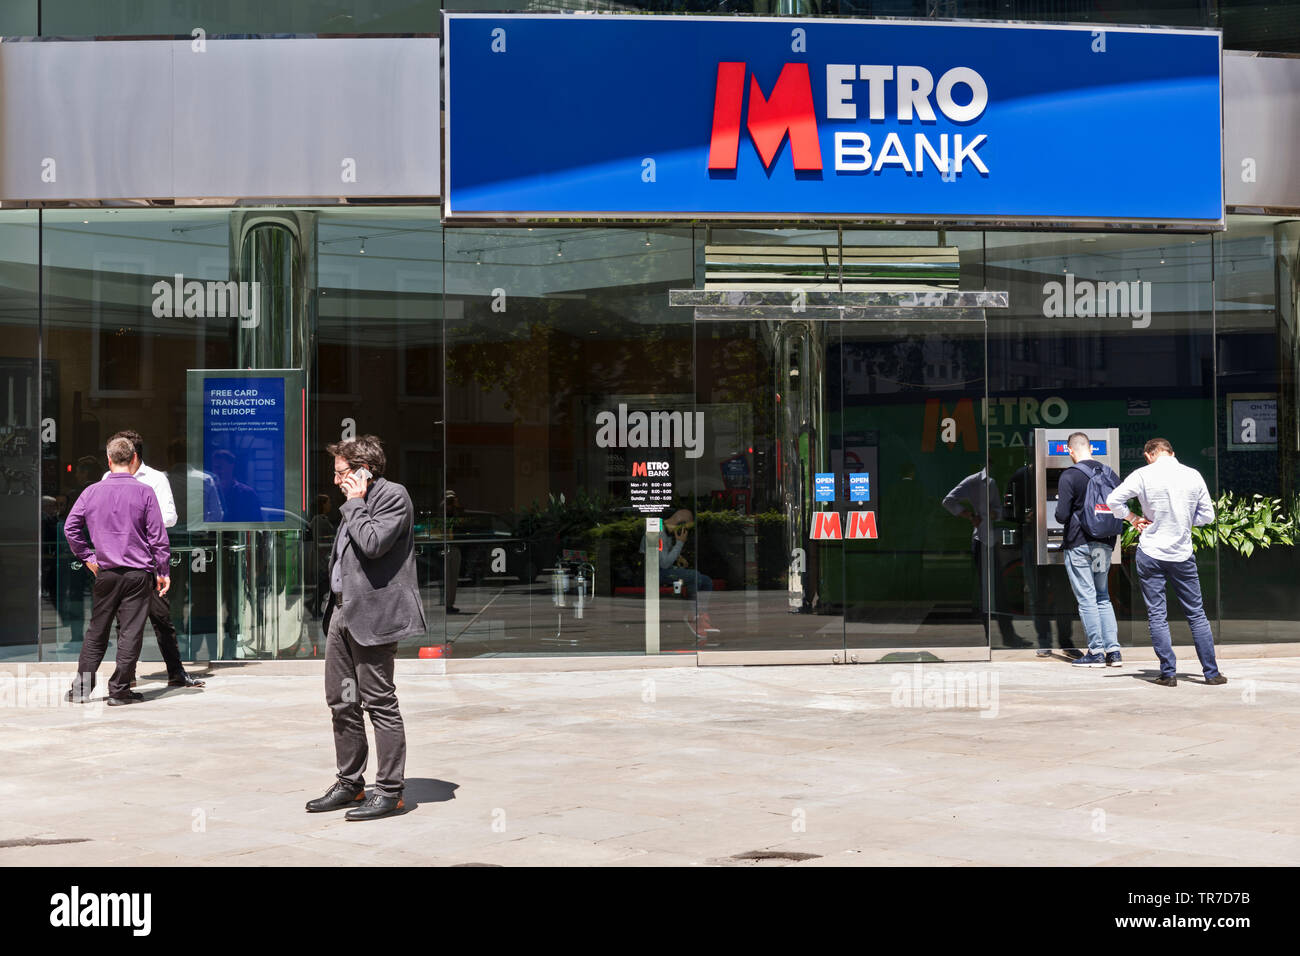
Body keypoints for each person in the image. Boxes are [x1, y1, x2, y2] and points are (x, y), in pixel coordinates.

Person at [306, 435, 424, 821]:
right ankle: (350, 783)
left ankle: (390, 791)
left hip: (374, 618)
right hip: (342, 614)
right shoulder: (352, 503)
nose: (336, 480)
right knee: (341, 702)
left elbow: (373, 544)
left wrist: (355, 504)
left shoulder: (393, 497)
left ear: (362, 471)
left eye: (341, 472)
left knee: (379, 702)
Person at [1105, 437, 1225, 687]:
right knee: (1196, 614)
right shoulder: (1193, 475)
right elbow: (1207, 516)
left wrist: (1132, 517)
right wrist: (1183, 520)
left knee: (1157, 615)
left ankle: (1168, 673)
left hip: (1151, 552)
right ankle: (1211, 673)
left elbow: (1113, 500)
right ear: (1171, 452)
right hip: (1182, 554)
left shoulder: (1142, 474)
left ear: (1149, 455)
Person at [63, 436, 171, 705]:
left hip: (105, 572)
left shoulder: (91, 492)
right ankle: (119, 691)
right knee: (130, 632)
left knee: (96, 631)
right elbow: (158, 536)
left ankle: (80, 690)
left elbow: (70, 528)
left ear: (108, 461)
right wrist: (163, 569)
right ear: (134, 459)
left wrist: (87, 556)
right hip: (138, 573)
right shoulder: (145, 492)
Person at [103, 431, 205, 688]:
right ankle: (128, 674)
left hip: (147, 560)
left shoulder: (157, 479)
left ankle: (176, 672)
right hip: (119, 559)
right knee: (122, 621)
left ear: (133, 455)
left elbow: (170, 517)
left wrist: (140, 516)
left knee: (161, 618)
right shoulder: (108, 477)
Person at [1055, 432, 1121, 668]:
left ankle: (1095, 652)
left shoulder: (1069, 475)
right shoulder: (1109, 473)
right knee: (1103, 596)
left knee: (1086, 598)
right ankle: (1113, 651)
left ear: (1070, 450)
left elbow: (1061, 515)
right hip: (1104, 542)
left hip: (1079, 543)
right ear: (1091, 448)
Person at [942, 469, 1027, 647]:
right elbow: (948, 500)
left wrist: (995, 513)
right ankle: (994, 638)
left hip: (990, 539)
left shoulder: (992, 482)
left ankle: (1006, 636)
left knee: (998, 590)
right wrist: (969, 515)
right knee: (987, 591)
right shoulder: (973, 481)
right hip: (981, 540)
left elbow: (997, 509)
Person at [642, 508, 717, 642]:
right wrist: (680, 543)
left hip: (664, 569)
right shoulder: (658, 533)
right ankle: (693, 616)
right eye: (685, 527)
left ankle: (701, 615)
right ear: (679, 523)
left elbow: (665, 556)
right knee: (694, 576)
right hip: (655, 573)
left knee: (705, 581)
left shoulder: (667, 533)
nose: (685, 532)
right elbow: (663, 563)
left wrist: (678, 557)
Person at [442, 489, 463, 613]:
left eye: (452, 499)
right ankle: (446, 603)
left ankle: (450, 603)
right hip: (445, 547)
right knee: (446, 578)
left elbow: (461, 522)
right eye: (448, 499)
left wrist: (456, 507)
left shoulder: (457, 511)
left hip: (455, 546)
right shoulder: (442, 510)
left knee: (453, 578)